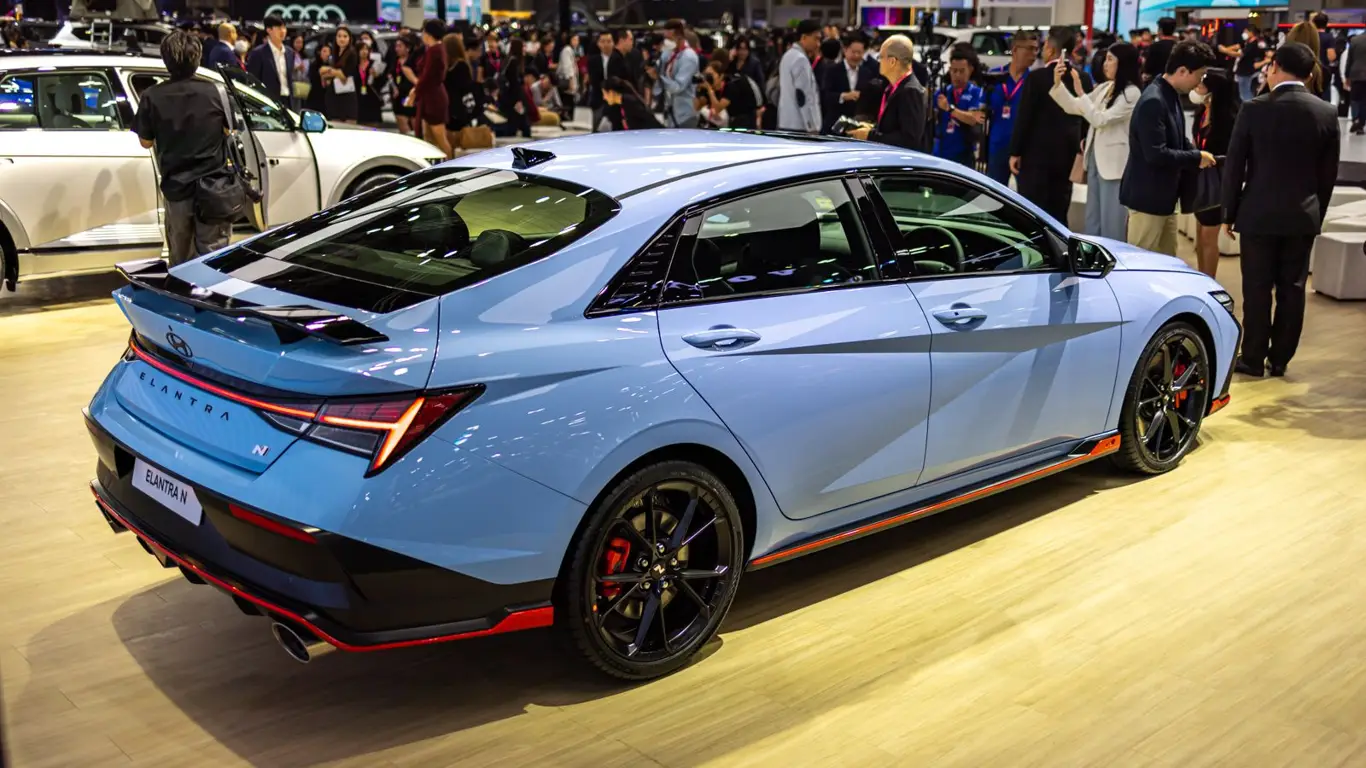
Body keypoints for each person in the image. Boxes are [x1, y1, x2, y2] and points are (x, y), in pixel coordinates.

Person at [1222, 42, 1339, 378]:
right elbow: (1327, 176)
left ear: (1274, 67)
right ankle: (1280, 359)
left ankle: (1253, 357)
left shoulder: (1253, 109)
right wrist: (1316, 214)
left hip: (1257, 213)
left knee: (1256, 288)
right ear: (1310, 73)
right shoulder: (1326, 112)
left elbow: (1235, 167)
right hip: (1302, 216)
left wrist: (1228, 212)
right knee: (1293, 288)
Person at [134, 31, 233, 266]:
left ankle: (183, 289)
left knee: (180, 259)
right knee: (214, 259)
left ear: (165, 60)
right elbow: (230, 131)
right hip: (214, 188)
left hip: (176, 188)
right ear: (197, 58)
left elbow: (145, 142)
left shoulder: (152, 96)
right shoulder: (217, 92)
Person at [1120, 41, 1216, 256]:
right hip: (1147, 199)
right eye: (1199, 75)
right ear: (1182, 71)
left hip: (1165, 198)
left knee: (1167, 261)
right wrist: (1195, 157)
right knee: (1142, 263)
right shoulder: (1153, 100)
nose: (1199, 82)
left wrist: (1198, 154)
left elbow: (1177, 139)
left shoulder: (1169, 94)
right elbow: (1156, 154)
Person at [1052, 42, 1142, 240]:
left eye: (1110, 59)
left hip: (1114, 166)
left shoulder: (1132, 93)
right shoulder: (1106, 87)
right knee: (1092, 219)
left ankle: (1113, 258)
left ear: (1123, 63)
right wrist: (1058, 84)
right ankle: (1093, 255)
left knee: (1112, 223)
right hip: (1095, 160)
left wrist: (1081, 93)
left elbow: (1100, 119)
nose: (1105, 64)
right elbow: (1075, 106)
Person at [1009, 28, 1094, 224]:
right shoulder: (1083, 78)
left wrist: (1015, 151)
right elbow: (1087, 117)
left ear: (1050, 48)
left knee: (1032, 209)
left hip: (1036, 155)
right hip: (1068, 152)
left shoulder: (1036, 78)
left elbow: (1025, 118)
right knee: (1060, 206)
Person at [1188, 69, 1240, 278]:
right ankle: (1201, 277)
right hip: (1200, 180)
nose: (1197, 87)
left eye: (1202, 84)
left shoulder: (1229, 119)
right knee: (1200, 235)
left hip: (1218, 183)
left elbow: (1232, 154)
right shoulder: (1202, 112)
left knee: (1209, 236)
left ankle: (1209, 280)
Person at [849, 34, 925, 150]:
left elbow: (909, 140)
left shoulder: (910, 91)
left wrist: (870, 136)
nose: (879, 61)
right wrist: (873, 128)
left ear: (892, 61)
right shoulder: (894, 87)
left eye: (881, 57)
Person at [985, 32, 1037, 184]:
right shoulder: (995, 75)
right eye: (1030, 49)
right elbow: (982, 107)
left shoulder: (1033, 81)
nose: (1034, 54)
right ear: (1015, 50)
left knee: (1024, 193)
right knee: (994, 191)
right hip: (997, 145)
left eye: (1036, 49)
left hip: (1023, 149)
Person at [933, 48, 985, 167]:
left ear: (970, 70)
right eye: (954, 70)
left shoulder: (976, 92)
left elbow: (974, 119)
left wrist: (950, 109)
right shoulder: (942, 92)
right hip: (941, 152)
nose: (957, 75)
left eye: (961, 71)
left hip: (964, 153)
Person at [411, 20, 454, 158]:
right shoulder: (436, 48)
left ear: (428, 34)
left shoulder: (435, 50)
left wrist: (415, 92)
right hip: (431, 96)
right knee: (429, 139)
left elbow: (427, 76)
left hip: (434, 98)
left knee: (439, 138)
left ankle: (451, 165)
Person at [649, 19, 700, 128]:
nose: (666, 41)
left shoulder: (689, 57)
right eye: (665, 38)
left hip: (684, 115)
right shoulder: (670, 53)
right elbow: (659, 73)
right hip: (670, 113)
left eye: (669, 38)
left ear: (679, 36)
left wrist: (659, 78)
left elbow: (678, 87)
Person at [778, 20, 823, 133]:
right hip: (800, 125)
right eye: (815, 39)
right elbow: (803, 95)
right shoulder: (800, 59)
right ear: (804, 37)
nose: (818, 44)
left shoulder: (787, 55)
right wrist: (811, 126)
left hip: (786, 121)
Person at [246, 15, 296, 110]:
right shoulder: (258, 53)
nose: (283, 31)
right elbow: (253, 80)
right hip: (268, 102)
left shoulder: (289, 52)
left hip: (288, 101)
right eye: (279, 28)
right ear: (269, 30)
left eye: (284, 27)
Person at [821, 37, 868, 133]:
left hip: (856, 126)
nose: (856, 56)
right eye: (853, 52)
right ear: (845, 50)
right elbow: (825, 95)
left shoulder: (866, 73)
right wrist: (843, 96)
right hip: (834, 124)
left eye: (859, 53)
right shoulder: (832, 70)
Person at [587, 31, 626, 132]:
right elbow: (594, 80)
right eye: (603, 41)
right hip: (598, 99)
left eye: (609, 41)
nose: (606, 44)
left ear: (613, 43)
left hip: (615, 100)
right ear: (598, 44)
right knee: (597, 130)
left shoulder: (619, 59)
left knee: (616, 129)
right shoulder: (593, 60)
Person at [321, 26, 359, 123]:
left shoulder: (352, 53)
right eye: (339, 36)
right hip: (334, 94)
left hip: (347, 93)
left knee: (349, 125)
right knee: (335, 122)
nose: (342, 39)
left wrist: (329, 70)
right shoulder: (334, 53)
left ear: (349, 38)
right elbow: (323, 73)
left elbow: (344, 76)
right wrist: (332, 72)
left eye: (345, 36)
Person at [1229, 24, 1270, 102]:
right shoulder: (1248, 43)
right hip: (1245, 72)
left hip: (1249, 72)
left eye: (1245, 32)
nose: (1244, 34)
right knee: (1243, 95)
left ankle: (1251, 107)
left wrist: (1225, 51)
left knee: (1246, 95)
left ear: (1251, 32)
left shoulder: (1257, 44)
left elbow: (1260, 58)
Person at [391, 36, 418, 136]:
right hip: (399, 96)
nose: (397, 49)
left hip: (412, 94)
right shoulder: (394, 61)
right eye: (396, 46)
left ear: (408, 48)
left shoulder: (413, 61)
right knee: (402, 123)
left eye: (400, 46)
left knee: (415, 123)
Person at [1143, 17, 1179, 85]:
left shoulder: (1154, 47)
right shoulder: (1179, 46)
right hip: (1175, 84)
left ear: (1160, 30)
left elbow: (1148, 69)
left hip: (1157, 84)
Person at [1344, 26, 1366, 134]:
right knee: (1364, 100)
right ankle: (1361, 124)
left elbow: (1350, 59)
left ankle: (1356, 119)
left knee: (1355, 99)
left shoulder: (1355, 40)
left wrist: (1347, 75)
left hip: (1356, 73)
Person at [1314, 12, 1337, 101]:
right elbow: (1331, 56)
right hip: (1323, 71)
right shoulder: (1329, 37)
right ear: (1326, 23)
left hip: (1310, 69)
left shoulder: (1311, 36)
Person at [557, 32, 580, 123]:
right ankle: (566, 119)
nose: (576, 42)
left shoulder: (570, 50)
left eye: (577, 40)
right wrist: (570, 80)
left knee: (570, 101)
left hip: (571, 79)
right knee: (568, 102)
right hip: (567, 80)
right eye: (574, 39)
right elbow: (567, 67)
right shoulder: (567, 50)